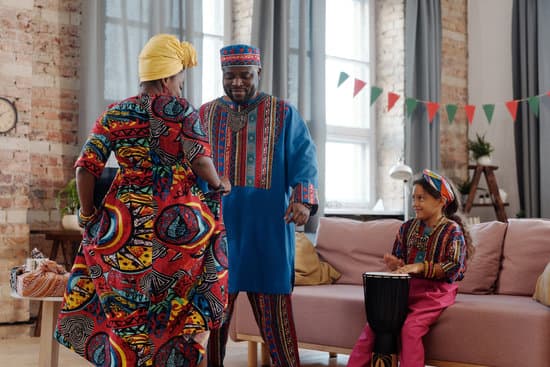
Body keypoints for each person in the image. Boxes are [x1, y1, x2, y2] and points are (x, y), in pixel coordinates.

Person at [54, 34, 231, 367]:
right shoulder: (181, 110)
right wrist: (219, 181)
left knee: (127, 309)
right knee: (197, 285)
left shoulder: (115, 112)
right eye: (179, 80)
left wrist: (89, 216)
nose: (180, 88)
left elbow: (85, 169)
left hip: (123, 229)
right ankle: (181, 351)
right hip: (179, 231)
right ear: (166, 78)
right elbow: (199, 160)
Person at [199, 44, 319, 367]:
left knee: (278, 325)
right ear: (222, 75)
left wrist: (303, 201)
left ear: (259, 74)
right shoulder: (205, 115)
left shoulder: (283, 114)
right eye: (230, 75)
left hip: (267, 235)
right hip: (217, 235)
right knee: (212, 323)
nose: (237, 82)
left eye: (245, 75)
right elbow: (190, 166)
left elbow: (304, 162)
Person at [347, 169, 474, 367]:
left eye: (421, 198)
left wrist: (420, 267)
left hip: (436, 292)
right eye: (413, 198)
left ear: (440, 201)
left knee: (410, 328)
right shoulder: (407, 228)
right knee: (376, 324)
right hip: (405, 288)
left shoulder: (452, 230)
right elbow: (401, 259)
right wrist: (396, 264)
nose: (415, 203)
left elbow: (454, 267)